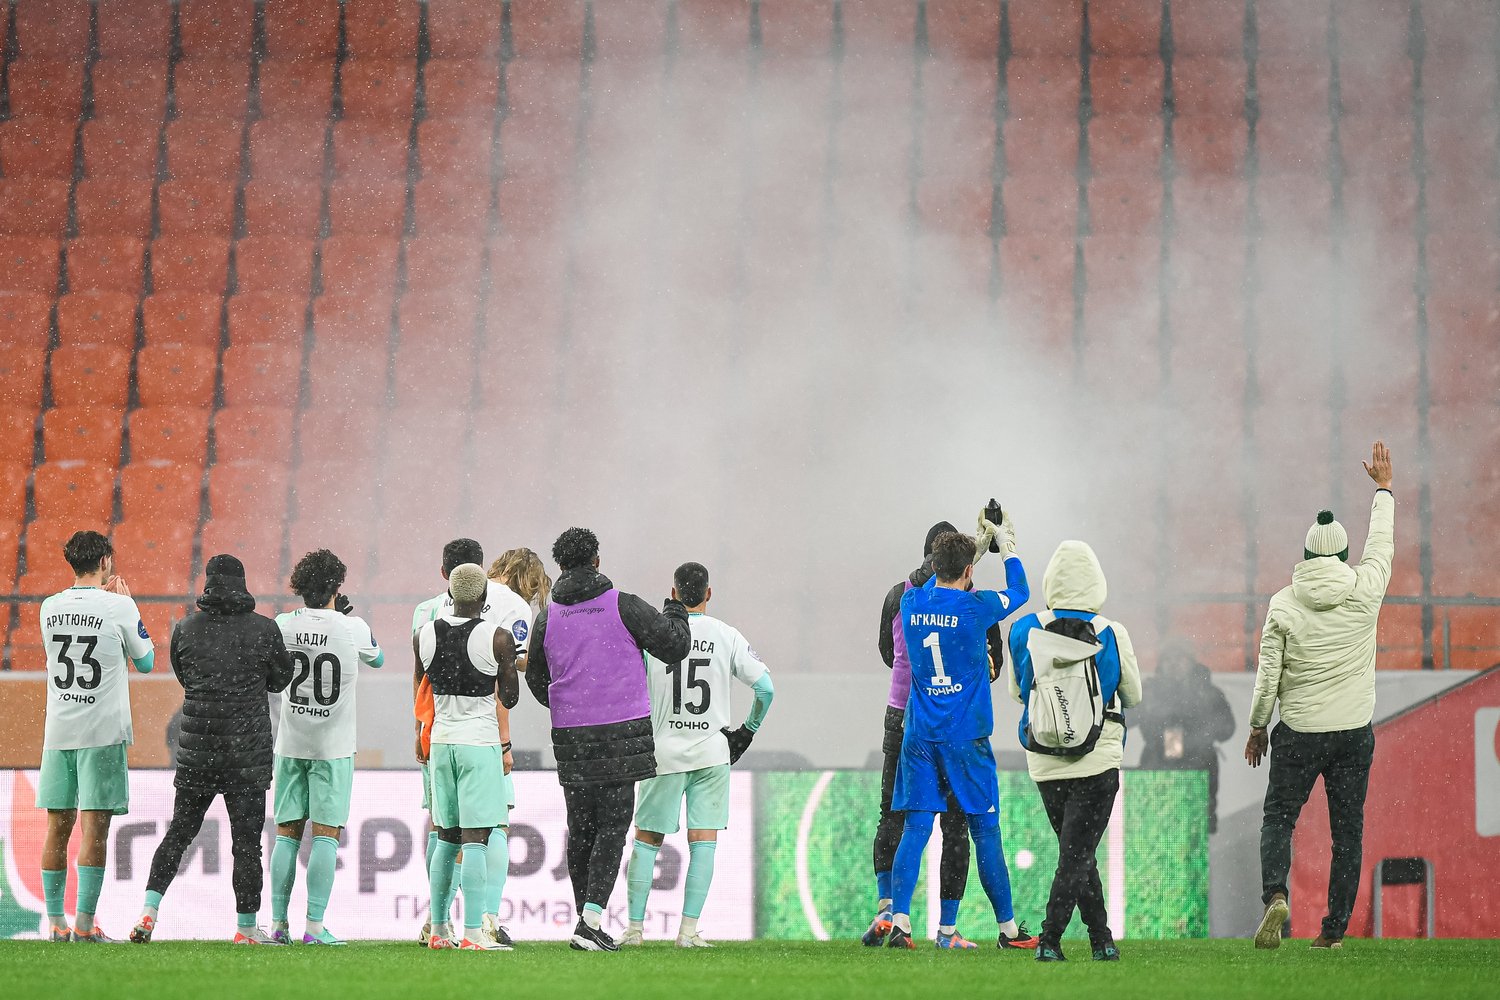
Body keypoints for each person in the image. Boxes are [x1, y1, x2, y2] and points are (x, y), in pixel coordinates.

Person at [1246, 441, 1394, 952]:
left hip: (1299, 734)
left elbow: (1268, 676)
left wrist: (1257, 727)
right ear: (1344, 555)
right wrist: (1383, 490)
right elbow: (1382, 545)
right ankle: (1332, 932)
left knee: (1278, 818)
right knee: (1346, 832)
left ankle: (1275, 896)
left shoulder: (1283, 604)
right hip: (1353, 733)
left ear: (1307, 554)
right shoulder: (1366, 588)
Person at [524, 527, 691, 952]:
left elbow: (537, 680)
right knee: (613, 826)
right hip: (622, 732)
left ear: (561, 565)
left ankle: (586, 919)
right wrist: (676, 610)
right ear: (596, 561)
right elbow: (674, 647)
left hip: (571, 735)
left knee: (580, 827)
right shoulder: (623, 605)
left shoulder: (547, 618)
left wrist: (571, 703)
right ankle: (592, 920)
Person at [886, 523, 1037, 953]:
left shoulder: (912, 601)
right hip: (965, 738)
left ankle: (900, 922)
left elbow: (939, 580)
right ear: (969, 571)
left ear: (935, 565)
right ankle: (1008, 930)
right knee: (984, 831)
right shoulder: (976, 607)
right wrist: (1006, 548)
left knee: (916, 827)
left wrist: (973, 553)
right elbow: (1021, 591)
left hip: (919, 735)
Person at [130, 554, 294, 944]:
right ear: (242, 583)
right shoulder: (264, 629)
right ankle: (246, 928)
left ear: (207, 583)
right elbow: (280, 680)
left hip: (198, 752)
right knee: (247, 845)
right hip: (246, 754)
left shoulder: (186, 628)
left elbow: (186, 678)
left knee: (179, 834)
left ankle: (149, 911)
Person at [622, 562, 775, 948]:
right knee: (703, 841)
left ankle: (635, 931)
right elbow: (766, 689)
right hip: (711, 752)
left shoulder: (655, 634)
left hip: (664, 753)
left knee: (646, 840)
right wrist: (747, 731)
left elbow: (629, 685)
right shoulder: (726, 635)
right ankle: (688, 933)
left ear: (673, 593)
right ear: (708, 594)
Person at [1007, 539, 1142, 963]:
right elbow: (1134, 695)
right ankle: (1050, 940)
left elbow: (1017, 693)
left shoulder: (1023, 629)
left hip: (1045, 759)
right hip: (1098, 757)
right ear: (1096, 583)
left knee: (1077, 853)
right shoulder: (1111, 632)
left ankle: (1102, 940)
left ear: (1051, 582)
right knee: (1077, 854)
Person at [412, 538, 532, 947]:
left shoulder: (424, 634)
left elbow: (421, 688)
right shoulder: (497, 637)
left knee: (445, 837)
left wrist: (420, 732)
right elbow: (510, 697)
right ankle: (475, 932)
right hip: (479, 742)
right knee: (477, 837)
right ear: (484, 596)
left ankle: (438, 928)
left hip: (440, 740)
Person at [36, 530, 155, 942]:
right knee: (95, 828)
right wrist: (127, 608)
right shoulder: (119, 605)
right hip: (101, 731)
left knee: (57, 826)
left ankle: (56, 925)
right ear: (104, 561)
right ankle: (85, 926)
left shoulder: (49, 607)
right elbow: (146, 662)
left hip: (59, 731)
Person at [866, 519, 976, 949]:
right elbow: (990, 660)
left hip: (900, 712)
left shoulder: (900, 594)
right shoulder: (970, 599)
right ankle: (947, 929)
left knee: (893, 814)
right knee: (956, 824)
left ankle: (887, 909)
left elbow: (887, 652)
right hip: (951, 719)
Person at [268, 550, 384, 946]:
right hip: (332, 747)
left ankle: (278, 924)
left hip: (290, 742)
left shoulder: (282, 624)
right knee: (325, 836)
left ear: (300, 587)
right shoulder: (352, 628)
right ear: (337, 586)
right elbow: (379, 659)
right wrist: (345, 617)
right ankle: (314, 927)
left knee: (286, 834)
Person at [1133, 639, 1235, 832]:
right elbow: (1126, 719)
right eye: (1168, 659)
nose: (1174, 664)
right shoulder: (1149, 692)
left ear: (1191, 662)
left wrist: (1200, 734)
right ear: (1161, 664)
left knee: (1195, 833)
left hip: (1198, 767)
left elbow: (1227, 729)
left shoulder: (1208, 693)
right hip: (1156, 767)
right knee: (1153, 832)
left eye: (1180, 658)